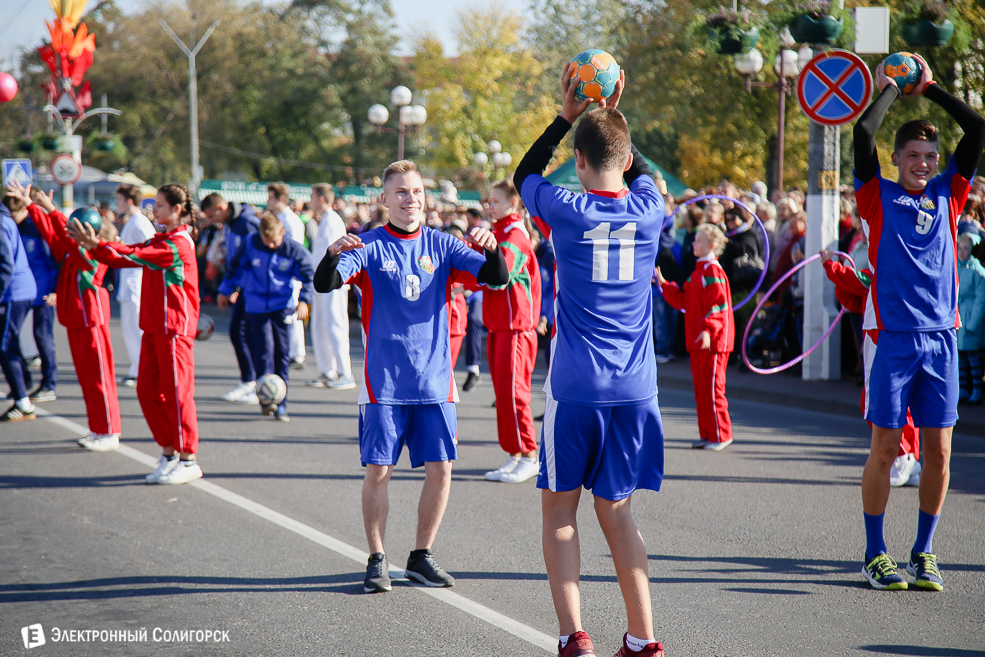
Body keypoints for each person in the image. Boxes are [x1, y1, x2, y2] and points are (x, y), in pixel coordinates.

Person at [516, 65, 666, 657]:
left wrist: (568, 115)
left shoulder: (565, 208)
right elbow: (641, 170)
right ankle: (643, 638)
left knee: (559, 513)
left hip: (576, 387)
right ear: (626, 159)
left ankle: (574, 635)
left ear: (577, 160)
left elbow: (525, 172)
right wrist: (612, 116)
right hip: (635, 390)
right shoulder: (651, 207)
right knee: (620, 515)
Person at [313, 159, 508, 595]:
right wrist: (331, 256)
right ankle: (377, 557)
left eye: (417, 191)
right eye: (400, 192)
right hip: (383, 384)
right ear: (384, 200)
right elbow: (325, 284)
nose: (410, 199)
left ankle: (421, 555)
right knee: (380, 471)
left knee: (441, 468)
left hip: (435, 382)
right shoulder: (367, 246)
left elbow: (496, 278)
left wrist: (493, 248)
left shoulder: (443, 244)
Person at [853, 54, 985, 591]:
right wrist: (888, 87)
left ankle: (924, 551)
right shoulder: (876, 196)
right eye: (914, 155)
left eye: (931, 156)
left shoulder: (949, 194)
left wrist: (930, 88)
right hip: (896, 342)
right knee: (885, 448)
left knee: (940, 450)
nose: (924, 163)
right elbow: (863, 130)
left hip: (942, 340)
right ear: (897, 159)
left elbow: (977, 127)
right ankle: (875, 552)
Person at [72, 184, 203, 485]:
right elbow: (128, 256)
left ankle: (188, 458)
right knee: (145, 391)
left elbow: (133, 256)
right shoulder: (164, 238)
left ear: (177, 210)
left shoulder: (178, 243)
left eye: (159, 205)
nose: (154, 210)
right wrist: (97, 247)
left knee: (177, 396)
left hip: (174, 328)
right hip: (155, 327)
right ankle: (169, 454)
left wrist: (97, 246)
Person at [821, 250, 922, 487]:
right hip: (886, 341)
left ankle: (903, 454)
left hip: (885, 342)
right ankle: (909, 458)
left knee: (883, 401)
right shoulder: (885, 272)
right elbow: (855, 298)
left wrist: (830, 265)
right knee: (890, 401)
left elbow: (854, 280)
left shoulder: (887, 269)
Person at [218, 213, 314, 422]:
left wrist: (304, 300)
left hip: (282, 305)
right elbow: (235, 268)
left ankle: (282, 404)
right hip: (256, 304)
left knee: (282, 352)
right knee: (263, 349)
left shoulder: (293, 249)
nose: (270, 245)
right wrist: (225, 290)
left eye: (274, 240)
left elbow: (309, 275)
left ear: (283, 233)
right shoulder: (251, 243)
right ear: (259, 234)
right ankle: (266, 399)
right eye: (266, 240)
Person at [482, 180, 542, 484]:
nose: (489, 206)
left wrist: (469, 278)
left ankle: (529, 454)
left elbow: (498, 278)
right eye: (489, 201)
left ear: (514, 204)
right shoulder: (501, 232)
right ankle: (514, 453)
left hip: (516, 325)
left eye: (495, 201)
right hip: (501, 324)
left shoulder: (514, 235)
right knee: (503, 393)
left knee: (515, 393)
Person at [658, 224, 735, 451]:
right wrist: (664, 285)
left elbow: (718, 305)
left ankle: (721, 434)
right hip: (698, 341)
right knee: (702, 391)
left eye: (698, 240)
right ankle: (709, 434)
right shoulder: (698, 272)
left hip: (713, 343)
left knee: (713, 389)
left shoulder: (713, 271)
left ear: (711, 245)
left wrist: (708, 329)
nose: (693, 243)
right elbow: (684, 301)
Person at [201, 192, 262, 404]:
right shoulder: (231, 224)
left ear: (221, 207)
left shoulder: (248, 222)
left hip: (255, 288)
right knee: (238, 332)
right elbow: (234, 259)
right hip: (242, 286)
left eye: (211, 215)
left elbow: (253, 258)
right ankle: (249, 380)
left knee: (249, 335)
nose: (211, 221)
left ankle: (256, 384)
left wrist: (236, 287)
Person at [12, 189, 59, 403]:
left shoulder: (38, 227)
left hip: (43, 292)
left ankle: (49, 384)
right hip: (21, 292)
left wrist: (56, 289)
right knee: (10, 336)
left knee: (43, 337)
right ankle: (24, 380)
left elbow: (57, 258)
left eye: (15, 214)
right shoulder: (13, 228)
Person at [307, 183, 354, 390]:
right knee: (319, 326)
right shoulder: (324, 219)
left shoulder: (332, 220)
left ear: (321, 199)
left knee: (336, 326)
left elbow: (337, 254)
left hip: (332, 282)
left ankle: (345, 373)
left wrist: (333, 278)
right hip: (319, 282)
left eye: (312, 196)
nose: (310, 200)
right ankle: (328, 371)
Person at [0, 190, 39, 422]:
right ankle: (22, 386)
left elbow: (5, 264)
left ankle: (23, 403)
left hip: (14, 292)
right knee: (8, 342)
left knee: (4, 345)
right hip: (14, 291)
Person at [115, 184, 157, 387]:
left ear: (129, 201)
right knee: (129, 329)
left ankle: (143, 370)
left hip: (137, 284)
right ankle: (136, 368)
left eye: (119, 200)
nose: (117, 204)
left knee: (137, 329)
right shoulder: (130, 221)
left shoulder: (139, 221)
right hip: (127, 282)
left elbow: (151, 248)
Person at [266, 183, 307, 370]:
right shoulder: (278, 218)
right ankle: (290, 351)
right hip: (280, 274)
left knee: (292, 312)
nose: (268, 201)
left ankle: (297, 353)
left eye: (270, 198)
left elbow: (295, 250)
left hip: (291, 273)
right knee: (286, 313)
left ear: (280, 199)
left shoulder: (290, 221)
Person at [956, 232, 985, 404]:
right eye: (960, 248)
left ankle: (976, 389)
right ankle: (962, 388)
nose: (962, 252)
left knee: (972, 356)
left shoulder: (978, 271)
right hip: (959, 315)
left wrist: (973, 323)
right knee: (960, 357)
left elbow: (980, 300)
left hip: (970, 317)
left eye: (966, 249)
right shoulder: (956, 267)